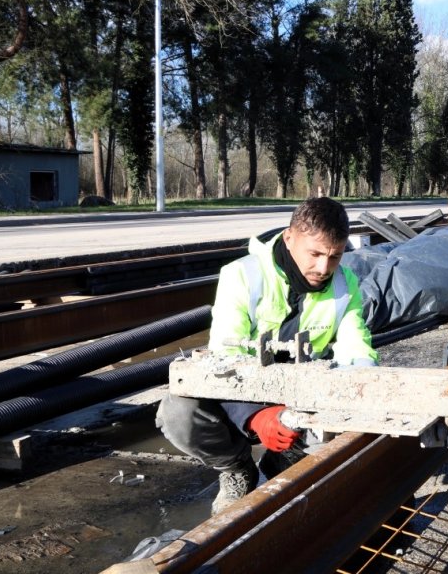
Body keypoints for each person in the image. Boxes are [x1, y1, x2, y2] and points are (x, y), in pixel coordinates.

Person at [156, 197, 378, 515]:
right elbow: (224, 359)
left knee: (339, 449)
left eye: (334, 257)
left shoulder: (345, 284)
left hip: (302, 393)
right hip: (241, 391)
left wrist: (367, 395)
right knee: (180, 411)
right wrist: (255, 416)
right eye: (314, 254)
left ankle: (283, 461)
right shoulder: (242, 276)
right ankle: (237, 469)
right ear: (290, 238)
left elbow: (356, 347)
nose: (324, 268)